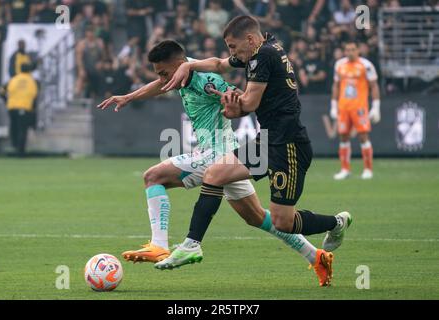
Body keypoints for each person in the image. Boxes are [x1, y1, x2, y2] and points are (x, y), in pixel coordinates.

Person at [97, 40, 332, 286]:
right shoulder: (180, 76)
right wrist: (129, 96)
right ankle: (317, 256)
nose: (163, 78)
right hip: (226, 155)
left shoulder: (205, 80)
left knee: (153, 177)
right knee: (256, 218)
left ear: (180, 65)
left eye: (165, 72)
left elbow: (238, 96)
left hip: (217, 153)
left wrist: (233, 101)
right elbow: (161, 85)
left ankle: (159, 244)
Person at [159, 16, 352, 286]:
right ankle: (192, 244)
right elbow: (218, 64)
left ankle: (336, 222)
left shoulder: (265, 56)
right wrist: (188, 66)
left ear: (250, 39)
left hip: (289, 146)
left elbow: (248, 104)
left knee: (284, 221)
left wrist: (229, 105)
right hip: (267, 140)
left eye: (233, 46)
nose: (232, 53)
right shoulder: (259, 50)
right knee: (215, 174)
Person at [330, 40, 381, 180]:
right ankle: (345, 169)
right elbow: (336, 85)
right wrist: (333, 106)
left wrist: (376, 107)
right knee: (343, 136)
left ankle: (368, 169)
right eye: (347, 49)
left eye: (352, 49)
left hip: (359, 107)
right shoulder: (339, 65)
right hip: (344, 107)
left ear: (358, 50)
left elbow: (374, 86)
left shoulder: (366, 65)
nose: (350, 52)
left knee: (363, 136)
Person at [6, 63, 38, 157]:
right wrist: (33, 109)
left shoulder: (14, 79)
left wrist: (6, 102)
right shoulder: (31, 80)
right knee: (22, 130)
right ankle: (20, 151)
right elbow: (34, 95)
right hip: (24, 107)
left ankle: (15, 147)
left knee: (14, 128)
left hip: (12, 107)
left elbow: (4, 91)